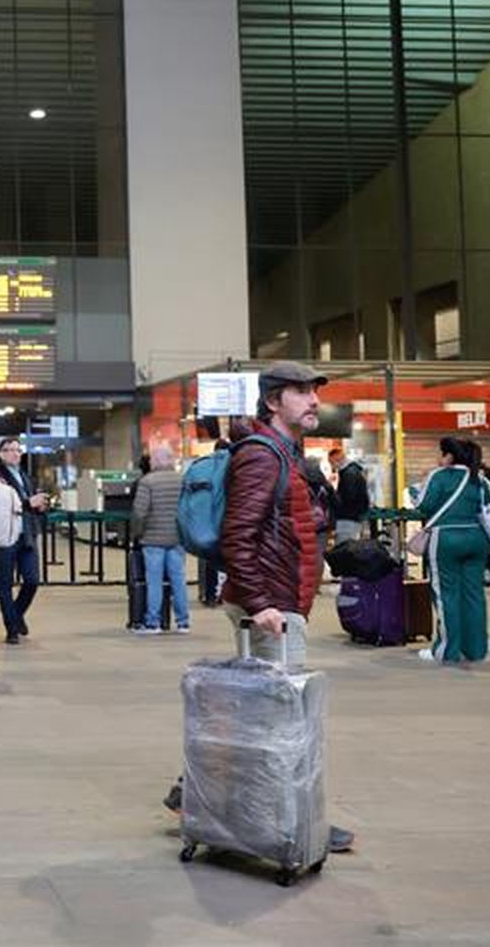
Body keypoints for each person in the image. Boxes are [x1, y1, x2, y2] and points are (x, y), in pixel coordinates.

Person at [206, 360, 353, 852]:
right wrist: (262, 602)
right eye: (300, 392)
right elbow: (237, 536)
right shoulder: (262, 456)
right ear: (273, 401)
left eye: (315, 391)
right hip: (270, 607)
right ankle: (288, 821)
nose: (314, 401)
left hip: (279, 601)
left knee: (258, 717)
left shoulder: (284, 453)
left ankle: (200, 797)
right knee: (281, 723)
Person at [413, 437, 490, 664]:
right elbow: (486, 507)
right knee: (474, 595)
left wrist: (415, 491)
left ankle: (447, 650)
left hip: (446, 538)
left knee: (446, 594)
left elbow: (423, 505)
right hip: (477, 538)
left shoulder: (439, 475)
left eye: (440, 454)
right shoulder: (479, 477)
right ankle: (476, 650)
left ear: (449, 455)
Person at [0, 437, 50, 644]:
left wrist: (40, 507)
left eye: (17, 450)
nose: (14, 453)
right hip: (6, 536)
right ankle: (11, 628)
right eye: (8, 450)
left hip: (27, 535)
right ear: (0, 454)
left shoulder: (25, 476)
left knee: (32, 580)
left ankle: (15, 615)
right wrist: (27, 502)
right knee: (5, 583)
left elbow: (31, 505)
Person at [130, 443, 188, 634]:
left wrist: (137, 534)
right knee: (178, 580)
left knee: (154, 581)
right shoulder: (182, 480)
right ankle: (183, 622)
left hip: (152, 539)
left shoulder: (148, 482)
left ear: (154, 461)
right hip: (177, 539)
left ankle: (153, 622)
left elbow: (139, 513)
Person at [329, 447, 370, 543]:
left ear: (338, 460)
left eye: (331, 462)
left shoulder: (349, 474)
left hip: (348, 519)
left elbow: (348, 498)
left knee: (345, 547)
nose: (332, 466)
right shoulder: (352, 471)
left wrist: (332, 493)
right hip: (353, 518)